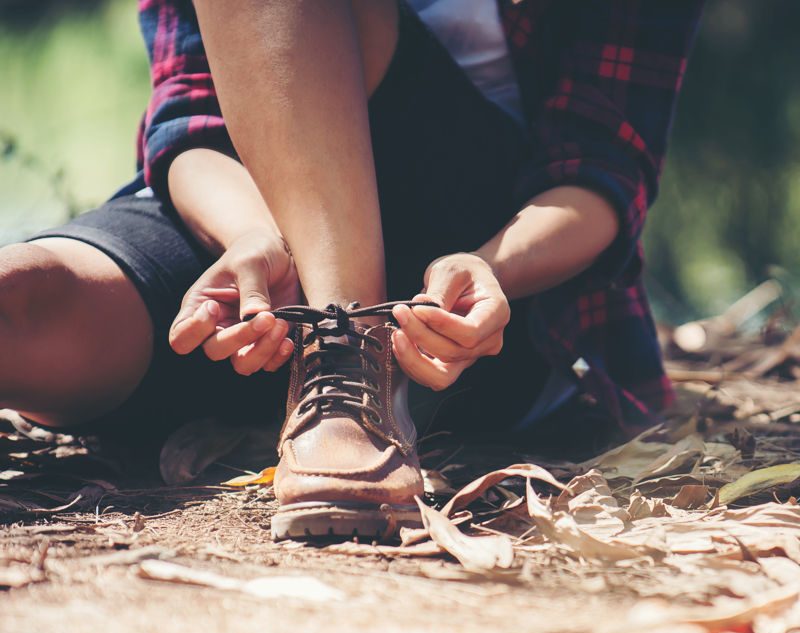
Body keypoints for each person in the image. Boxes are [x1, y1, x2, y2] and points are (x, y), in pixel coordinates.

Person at [0, 0, 704, 539]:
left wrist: (488, 269)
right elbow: (190, 119)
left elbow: (603, 168)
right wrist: (255, 235)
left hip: (478, 273)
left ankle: (345, 369)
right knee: (20, 304)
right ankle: (322, 355)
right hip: (255, 215)